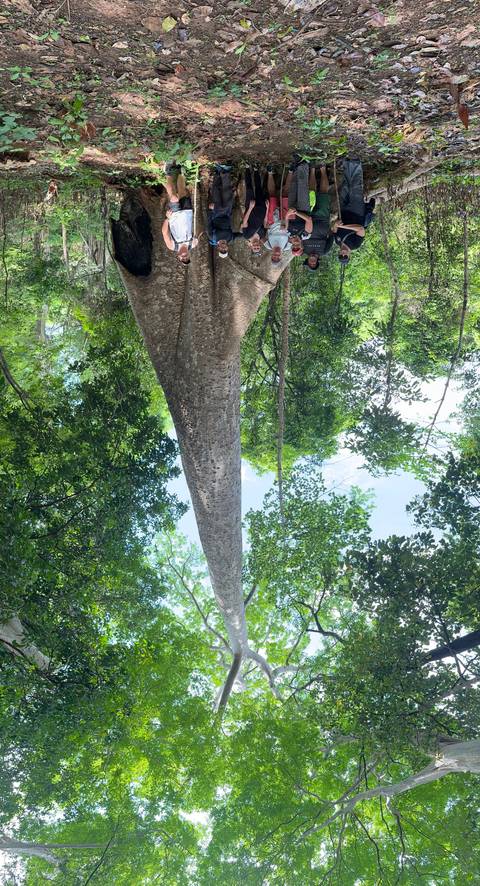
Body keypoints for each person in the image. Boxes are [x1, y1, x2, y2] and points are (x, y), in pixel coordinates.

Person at [332, 159, 375, 264]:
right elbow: (360, 229)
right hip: (357, 212)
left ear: (338, 253)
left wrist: (335, 225)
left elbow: (334, 230)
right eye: (345, 256)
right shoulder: (355, 245)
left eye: (341, 256)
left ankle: (347, 163)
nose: (343, 253)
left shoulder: (337, 241)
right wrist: (344, 227)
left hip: (343, 211)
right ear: (349, 255)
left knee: (345, 186)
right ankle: (355, 163)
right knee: (355, 187)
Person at [162, 162, 198, 264]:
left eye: (183, 259)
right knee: (182, 192)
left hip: (174, 216)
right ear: (189, 256)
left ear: (179, 257)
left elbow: (164, 232)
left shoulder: (172, 246)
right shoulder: (193, 244)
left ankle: (167, 173)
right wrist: (197, 237)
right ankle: (179, 171)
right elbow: (197, 230)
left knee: (173, 197)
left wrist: (167, 219)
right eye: (187, 258)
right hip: (187, 213)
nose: (185, 257)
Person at [302, 164, 334, 272]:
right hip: (323, 218)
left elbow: (299, 236)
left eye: (310, 263)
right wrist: (328, 228)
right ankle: (323, 169)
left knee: (312, 192)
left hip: (308, 216)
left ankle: (312, 170)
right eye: (314, 264)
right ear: (317, 261)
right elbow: (331, 237)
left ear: (307, 261)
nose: (312, 262)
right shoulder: (324, 251)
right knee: (324, 193)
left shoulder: (304, 250)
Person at [207, 164, 242, 258]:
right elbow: (239, 235)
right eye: (225, 250)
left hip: (216, 213)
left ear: (218, 248)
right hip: (227, 213)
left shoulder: (212, 237)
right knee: (227, 193)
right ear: (227, 248)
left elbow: (209, 223)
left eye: (221, 250)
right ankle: (225, 172)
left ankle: (218, 172)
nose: (223, 248)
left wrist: (210, 210)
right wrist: (248, 236)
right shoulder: (230, 238)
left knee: (216, 192)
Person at [265, 166, 293, 264]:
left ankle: (270, 172)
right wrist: (286, 228)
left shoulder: (268, 245)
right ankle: (291, 171)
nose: (276, 255)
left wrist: (266, 226)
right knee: (285, 194)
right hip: (284, 220)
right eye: (278, 258)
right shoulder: (287, 246)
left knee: (272, 195)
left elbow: (261, 234)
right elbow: (293, 235)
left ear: (271, 256)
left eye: (274, 257)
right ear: (281, 257)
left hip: (272, 220)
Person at [286, 156, 313, 258]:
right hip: (303, 208)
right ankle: (304, 164)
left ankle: (297, 165)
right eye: (298, 247)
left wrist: (288, 213)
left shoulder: (289, 235)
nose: (296, 245)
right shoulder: (306, 235)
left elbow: (285, 221)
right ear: (302, 246)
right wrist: (296, 212)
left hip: (291, 210)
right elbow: (309, 219)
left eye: (294, 247)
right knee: (302, 186)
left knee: (293, 186)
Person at [241, 166, 268, 254]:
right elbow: (265, 222)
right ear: (260, 245)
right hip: (261, 210)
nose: (256, 246)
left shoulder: (246, 235)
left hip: (251, 209)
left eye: (254, 248)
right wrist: (267, 208)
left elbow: (244, 222)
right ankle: (256, 170)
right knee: (259, 189)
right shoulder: (262, 235)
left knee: (249, 189)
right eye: (258, 248)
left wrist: (250, 208)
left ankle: (247, 168)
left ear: (251, 246)